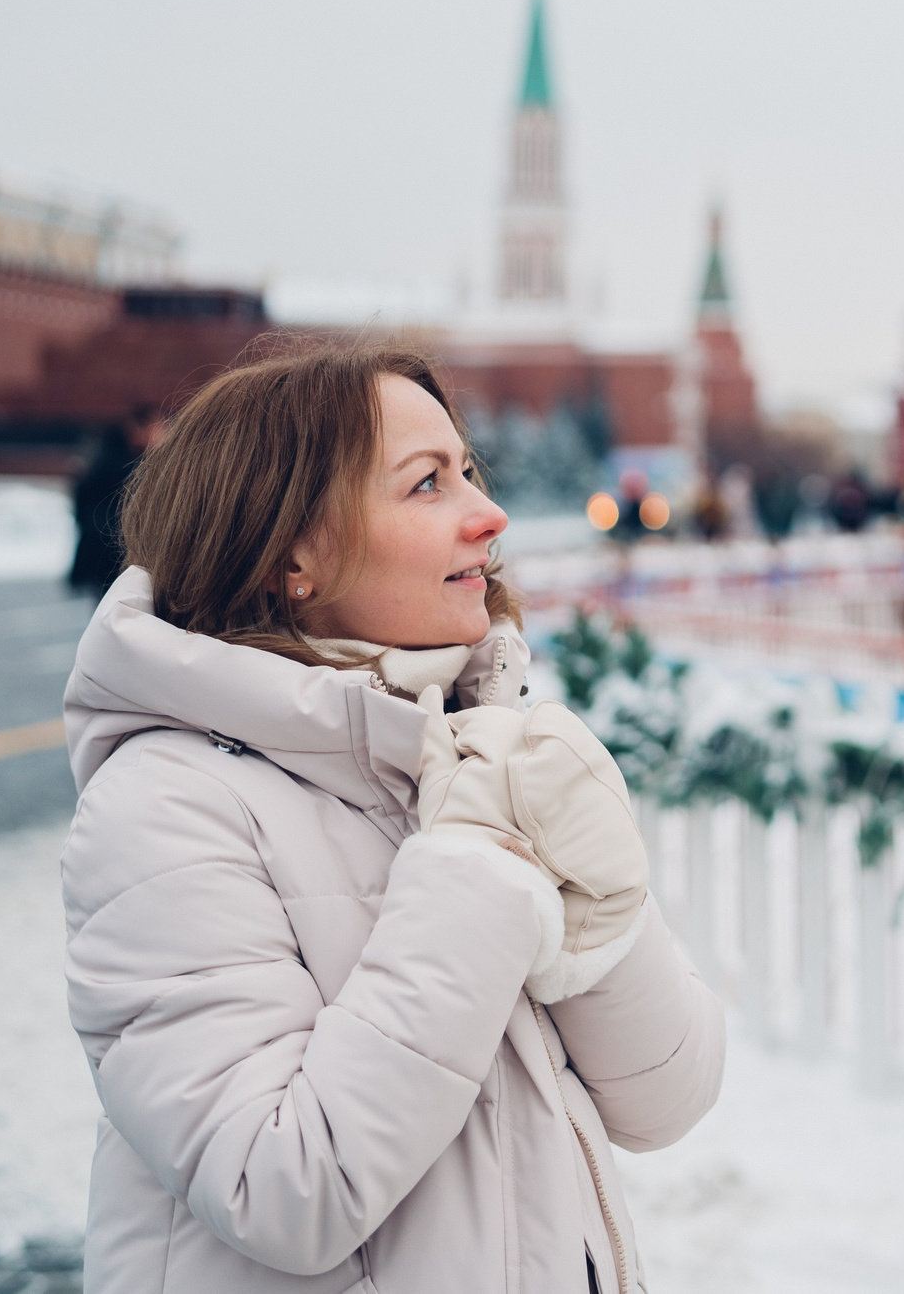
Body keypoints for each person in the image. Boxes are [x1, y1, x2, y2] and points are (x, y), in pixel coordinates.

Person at [61, 340, 721, 1293]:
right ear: (294, 551)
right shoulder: (164, 806)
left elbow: (668, 1099)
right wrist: (479, 876)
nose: (489, 516)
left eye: (470, 472)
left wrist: (603, 905)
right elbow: (279, 1188)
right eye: (427, 485)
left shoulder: (471, 747)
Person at [69, 404, 158, 595]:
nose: (160, 435)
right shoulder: (122, 465)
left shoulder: (112, 458)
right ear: (136, 429)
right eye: (155, 428)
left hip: (111, 552)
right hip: (111, 552)